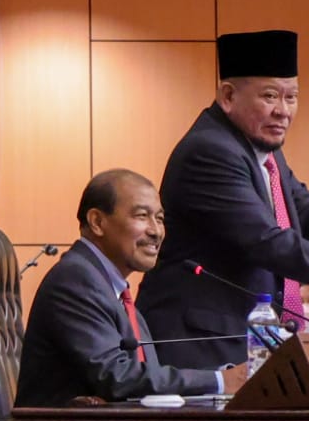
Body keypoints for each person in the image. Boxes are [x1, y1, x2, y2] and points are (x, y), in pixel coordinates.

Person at [136, 28, 309, 368]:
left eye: (292, 97)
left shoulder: (258, 149)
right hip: (200, 344)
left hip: (242, 338)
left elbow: (305, 212)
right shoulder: (210, 151)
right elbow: (267, 241)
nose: (283, 111)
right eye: (270, 96)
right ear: (228, 96)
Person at [16, 169, 243, 407]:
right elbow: (118, 377)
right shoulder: (75, 280)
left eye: (160, 219)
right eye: (142, 216)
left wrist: (223, 377)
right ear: (97, 222)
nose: (156, 231)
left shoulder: (108, 287)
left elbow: (146, 379)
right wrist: (220, 381)